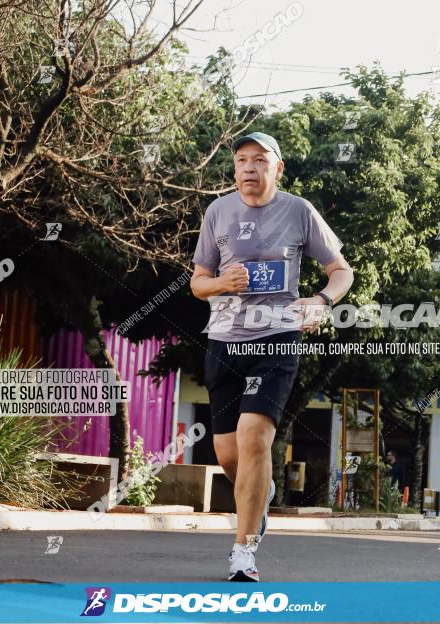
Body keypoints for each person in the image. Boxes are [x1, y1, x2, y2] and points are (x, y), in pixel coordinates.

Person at [191, 131, 354, 581]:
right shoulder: (217, 211)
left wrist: (320, 301)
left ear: (277, 168)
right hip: (224, 341)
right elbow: (198, 281)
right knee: (227, 454)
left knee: (254, 437)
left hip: (277, 338)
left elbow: (341, 270)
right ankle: (261, 490)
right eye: (242, 160)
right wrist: (222, 284)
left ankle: (244, 550)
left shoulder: (299, 211)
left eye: (259, 160)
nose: (249, 168)